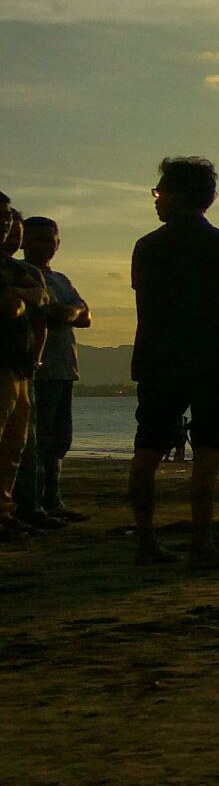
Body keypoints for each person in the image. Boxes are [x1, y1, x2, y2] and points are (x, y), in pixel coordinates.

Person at [128, 158, 219, 568]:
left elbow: (146, 305)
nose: (156, 200)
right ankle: (200, 543)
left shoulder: (147, 246)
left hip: (156, 360)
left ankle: (146, 542)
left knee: (147, 451)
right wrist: (213, 305)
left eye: (159, 192)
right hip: (211, 358)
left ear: (177, 194)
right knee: (207, 451)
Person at [19, 216, 90, 524]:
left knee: (59, 440)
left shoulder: (60, 279)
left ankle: (53, 499)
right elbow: (44, 313)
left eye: (49, 239)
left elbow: (83, 315)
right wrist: (66, 312)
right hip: (36, 369)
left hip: (63, 368)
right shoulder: (21, 275)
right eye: (36, 239)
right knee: (37, 441)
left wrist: (68, 312)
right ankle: (34, 504)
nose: (44, 245)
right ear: (22, 241)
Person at [0, 201, 50, 541]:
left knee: (13, 447)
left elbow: (39, 298)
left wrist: (20, 297)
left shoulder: (11, 267)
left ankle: (3, 512)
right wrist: (22, 298)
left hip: (19, 365)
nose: (5, 224)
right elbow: (17, 304)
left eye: (7, 216)